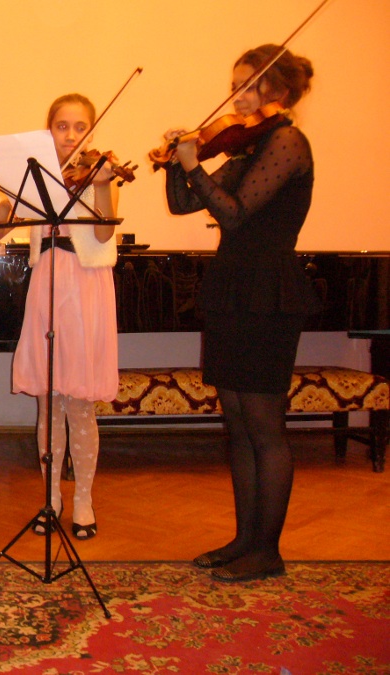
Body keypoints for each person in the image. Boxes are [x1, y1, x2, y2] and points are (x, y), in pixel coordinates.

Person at [161, 45, 320, 582]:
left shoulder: (288, 142)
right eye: (235, 87)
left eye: (248, 86)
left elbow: (234, 214)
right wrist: (175, 164)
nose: (237, 97)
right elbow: (184, 204)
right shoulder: (248, 147)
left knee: (265, 426)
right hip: (233, 288)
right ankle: (244, 540)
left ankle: (267, 551)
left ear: (278, 91)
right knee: (237, 422)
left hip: (268, 292)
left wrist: (193, 164)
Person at [0, 93, 119, 541]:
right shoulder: (37, 177)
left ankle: (83, 499)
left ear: (91, 131)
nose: (71, 135)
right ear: (49, 131)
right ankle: (51, 498)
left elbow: (104, 232)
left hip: (85, 286)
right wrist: (9, 193)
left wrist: (103, 185)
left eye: (80, 127)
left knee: (79, 403)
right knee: (48, 401)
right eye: (62, 126)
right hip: (46, 285)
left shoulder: (99, 173)